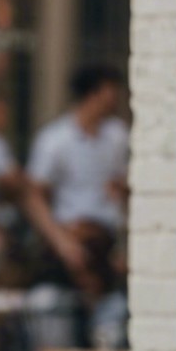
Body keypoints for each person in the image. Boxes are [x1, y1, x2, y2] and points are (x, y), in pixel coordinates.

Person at [24, 64, 129, 300]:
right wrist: (61, 242)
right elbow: (34, 195)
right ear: (94, 94)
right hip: (70, 238)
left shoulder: (118, 136)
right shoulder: (55, 140)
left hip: (108, 240)